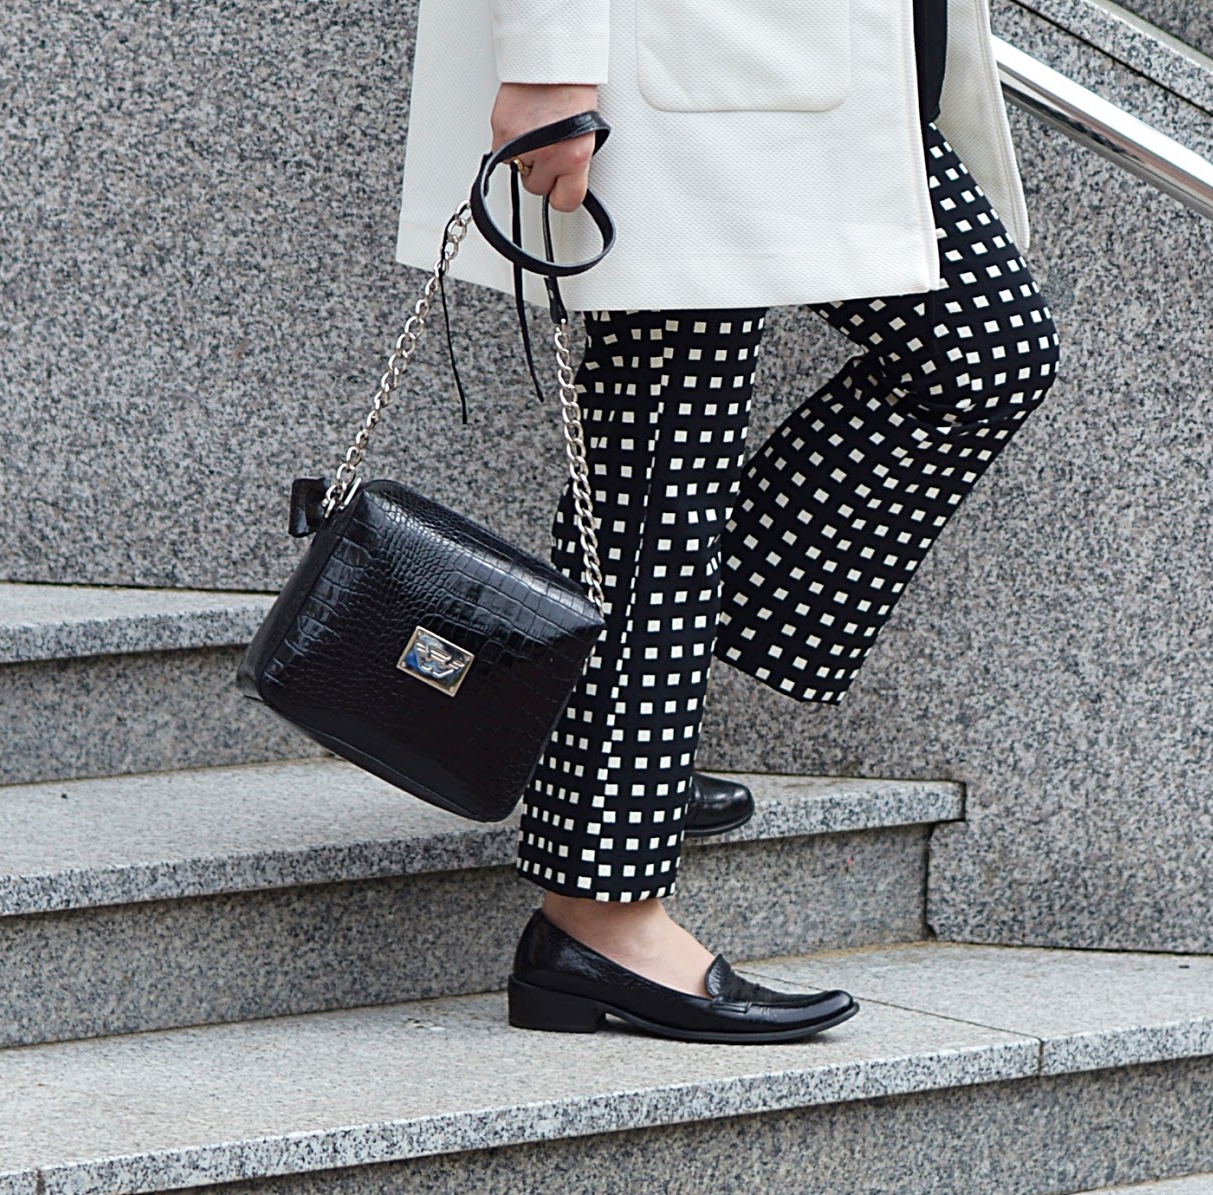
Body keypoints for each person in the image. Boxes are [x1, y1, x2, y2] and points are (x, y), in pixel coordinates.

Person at [395, 0, 1060, 1043]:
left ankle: (606, 733)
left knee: (983, 352)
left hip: (806, 58)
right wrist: (549, 61)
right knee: (661, 468)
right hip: (678, 62)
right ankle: (598, 915)